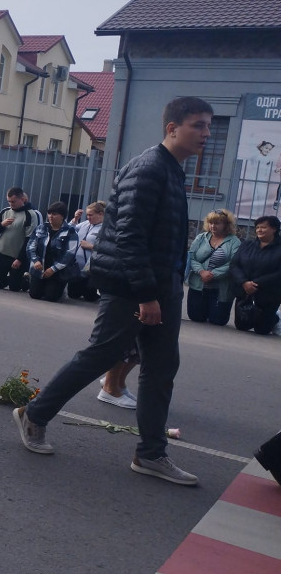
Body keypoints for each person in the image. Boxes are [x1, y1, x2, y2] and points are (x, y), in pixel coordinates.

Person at [12, 96, 215, 486]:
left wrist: (165, 289)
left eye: (208, 125)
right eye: (198, 125)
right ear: (172, 128)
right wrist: (147, 296)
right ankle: (34, 414)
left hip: (161, 285)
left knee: (161, 369)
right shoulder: (151, 169)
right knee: (99, 355)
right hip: (133, 287)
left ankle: (151, 454)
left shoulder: (171, 170)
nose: (207, 133)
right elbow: (130, 237)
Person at [186, 208, 241, 326]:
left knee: (218, 321)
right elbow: (192, 257)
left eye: (217, 223)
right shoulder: (201, 238)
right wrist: (201, 271)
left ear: (226, 224)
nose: (213, 226)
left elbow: (233, 263)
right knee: (196, 317)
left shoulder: (234, 242)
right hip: (198, 284)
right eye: (211, 223)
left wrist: (213, 274)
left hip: (220, 288)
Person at [229, 215, 281, 334]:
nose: (259, 230)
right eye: (257, 227)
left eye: (263, 227)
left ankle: (276, 318)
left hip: (268, 293)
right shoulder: (247, 245)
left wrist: (257, 284)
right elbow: (234, 265)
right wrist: (244, 282)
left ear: (274, 229)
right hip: (245, 291)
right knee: (242, 326)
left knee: (262, 330)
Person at [25, 201, 80, 302]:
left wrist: (53, 269)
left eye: (54, 214)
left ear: (62, 216)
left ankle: (61, 288)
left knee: (51, 297)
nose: (51, 216)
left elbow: (69, 254)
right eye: (49, 213)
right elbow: (30, 247)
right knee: (34, 294)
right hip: (40, 267)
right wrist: (35, 260)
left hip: (58, 271)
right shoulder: (41, 228)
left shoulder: (70, 232)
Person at [0, 187, 41, 291]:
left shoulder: (30, 215)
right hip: (3, 253)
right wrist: (2, 225)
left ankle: (26, 279)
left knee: (15, 287)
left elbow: (29, 240)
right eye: (9, 201)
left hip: (17, 256)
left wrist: (20, 259)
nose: (11, 204)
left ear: (22, 199)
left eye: (13, 201)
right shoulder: (5, 212)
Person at [66, 201, 105, 301]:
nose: (88, 217)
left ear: (100, 214)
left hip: (91, 270)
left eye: (91, 215)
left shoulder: (106, 228)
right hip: (76, 268)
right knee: (73, 294)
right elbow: (67, 230)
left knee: (90, 297)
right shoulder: (85, 224)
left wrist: (91, 246)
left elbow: (109, 249)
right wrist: (75, 219)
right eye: (87, 215)